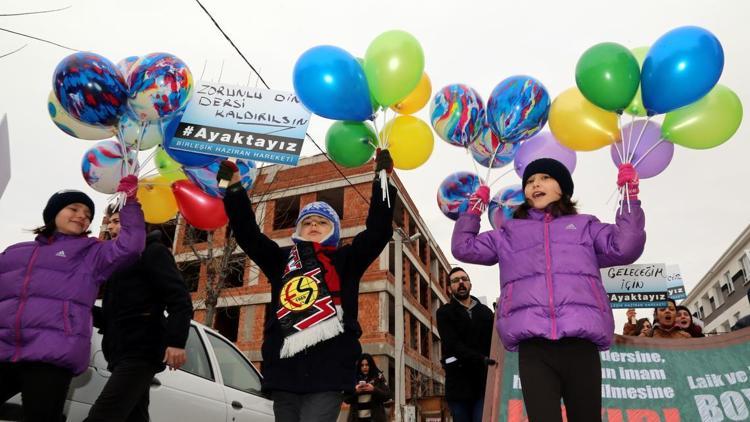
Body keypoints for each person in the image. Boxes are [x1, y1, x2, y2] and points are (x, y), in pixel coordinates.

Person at [452, 158, 645, 422]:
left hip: (581, 344)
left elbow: (626, 246)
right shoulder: (508, 232)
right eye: (530, 181)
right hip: (534, 348)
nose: (535, 184)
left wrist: (629, 197)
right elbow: (464, 247)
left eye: (544, 178)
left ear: (563, 188)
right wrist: (473, 210)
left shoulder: (585, 226)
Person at [218, 151, 396, 422]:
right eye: (307, 222)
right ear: (298, 231)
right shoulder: (281, 260)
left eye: (322, 222)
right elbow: (248, 235)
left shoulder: (346, 260)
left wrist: (381, 179)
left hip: (329, 369)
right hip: (285, 369)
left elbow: (378, 232)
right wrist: (233, 190)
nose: (313, 225)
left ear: (333, 231)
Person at [0, 178, 145, 422]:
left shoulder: (92, 252)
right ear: (54, 212)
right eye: (74, 209)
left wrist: (131, 203)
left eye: (88, 213)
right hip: (5, 349)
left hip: (51, 352)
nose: (82, 216)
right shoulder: (16, 252)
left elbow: (130, 248)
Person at [85, 207, 193, 422]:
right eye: (110, 223)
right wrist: (80, 308)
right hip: (119, 351)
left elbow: (179, 299)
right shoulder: (117, 262)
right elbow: (112, 316)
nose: (112, 227)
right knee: (134, 416)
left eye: (117, 221)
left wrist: (176, 341)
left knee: (103, 415)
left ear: (137, 222)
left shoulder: (153, 252)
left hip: (142, 350)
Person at [436, 267, 495, 422]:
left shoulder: (486, 312)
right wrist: (481, 358)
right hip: (458, 386)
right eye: (455, 281)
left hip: (483, 385)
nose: (461, 283)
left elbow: (495, 342)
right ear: (449, 289)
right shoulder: (444, 313)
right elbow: (452, 345)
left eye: (464, 279)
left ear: (470, 284)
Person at [344, 354, 391, 422]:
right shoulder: (353, 378)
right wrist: (355, 391)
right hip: (356, 419)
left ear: (371, 365)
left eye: (367, 365)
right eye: (362, 365)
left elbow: (387, 395)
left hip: (375, 419)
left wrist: (374, 390)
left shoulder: (378, 377)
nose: (365, 367)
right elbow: (346, 399)